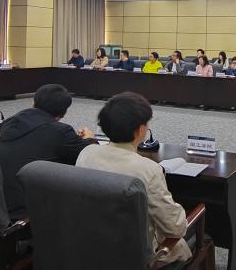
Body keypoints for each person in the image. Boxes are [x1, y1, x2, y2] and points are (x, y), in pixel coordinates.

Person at [76, 92, 191, 267]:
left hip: (91, 244)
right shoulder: (148, 169)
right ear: (140, 130)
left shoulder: (86, 153)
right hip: (134, 256)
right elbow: (175, 228)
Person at [0, 84, 98, 218]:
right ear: (64, 113)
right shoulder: (61, 131)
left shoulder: (11, 121)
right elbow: (89, 155)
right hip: (24, 212)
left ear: (33, 103)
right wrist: (90, 138)